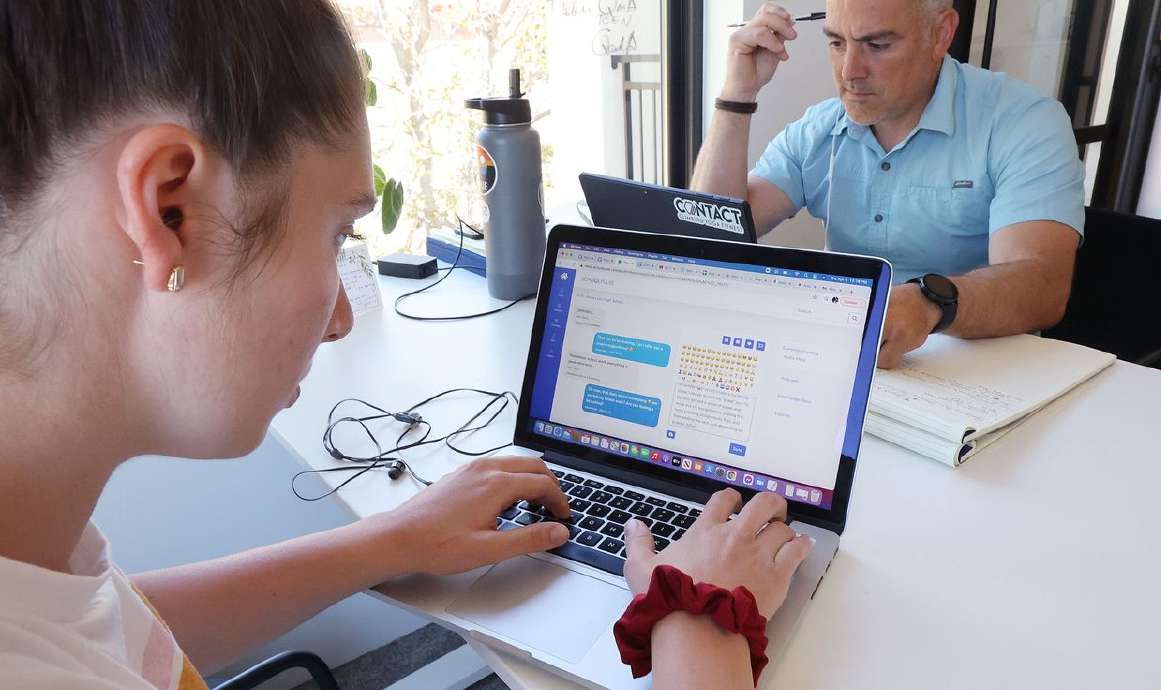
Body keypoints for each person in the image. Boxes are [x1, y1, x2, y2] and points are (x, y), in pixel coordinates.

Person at [0, 2, 811, 689]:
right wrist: (700, 620)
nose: (343, 319)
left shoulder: (40, 547)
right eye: (335, 233)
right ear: (170, 208)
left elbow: (118, 622)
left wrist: (387, 542)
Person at [692, 0, 1087, 368]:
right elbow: (706, 237)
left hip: (976, 369)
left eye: (877, 45)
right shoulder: (820, 128)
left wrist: (929, 303)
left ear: (941, 33)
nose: (849, 72)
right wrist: (736, 95)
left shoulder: (1023, 121)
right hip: (846, 359)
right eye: (836, 42)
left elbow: (1042, 285)